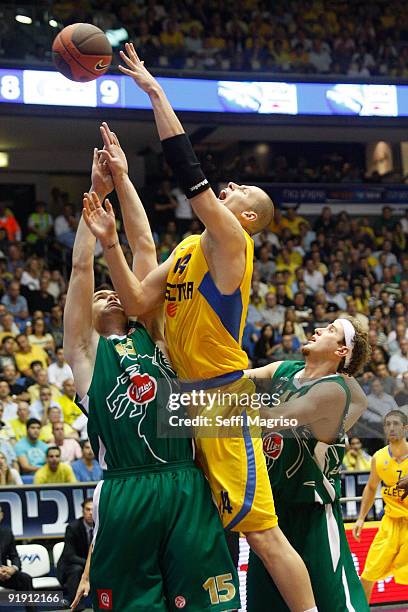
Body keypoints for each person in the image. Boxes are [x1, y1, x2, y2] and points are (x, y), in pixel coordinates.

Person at [82, 43, 318, 612]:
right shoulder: (189, 246)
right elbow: (138, 297)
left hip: (220, 399)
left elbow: (192, 176)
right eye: (228, 186)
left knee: (261, 531)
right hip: (184, 401)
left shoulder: (234, 245)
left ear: (248, 217)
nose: (228, 187)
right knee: (189, 516)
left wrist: (156, 93)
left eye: (236, 191)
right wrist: (109, 239)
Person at [66, 127, 240, 611]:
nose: (106, 292)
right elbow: (82, 271)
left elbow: (143, 242)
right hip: (126, 488)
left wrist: (122, 178)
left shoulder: (154, 329)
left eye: (112, 290)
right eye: (100, 295)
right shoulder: (87, 357)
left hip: (186, 481)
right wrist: (93, 198)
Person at [245, 317, 371, 611]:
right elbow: (236, 377)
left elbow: (276, 417)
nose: (318, 329)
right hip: (269, 515)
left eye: (331, 331)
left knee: (334, 606)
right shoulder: (284, 369)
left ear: (341, 351)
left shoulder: (335, 389)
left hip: (310, 517)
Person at [353, 410, 408, 603]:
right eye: (387, 424)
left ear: (405, 428)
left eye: (395, 424)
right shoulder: (379, 457)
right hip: (390, 525)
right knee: (368, 574)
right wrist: (360, 518)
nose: (391, 428)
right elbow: (370, 487)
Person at [57, 498, 94, 611]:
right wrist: (90, 564)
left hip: (89, 567)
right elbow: (69, 556)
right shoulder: (72, 528)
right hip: (69, 568)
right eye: (88, 509)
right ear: (82, 511)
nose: (91, 513)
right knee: (76, 569)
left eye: (93, 510)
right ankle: (76, 606)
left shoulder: (101, 527)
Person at [0, 505, 35, 611]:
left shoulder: (6, 533)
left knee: (25, 579)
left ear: (1, 515)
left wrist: (13, 569)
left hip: (3, 574)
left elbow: (14, 555)